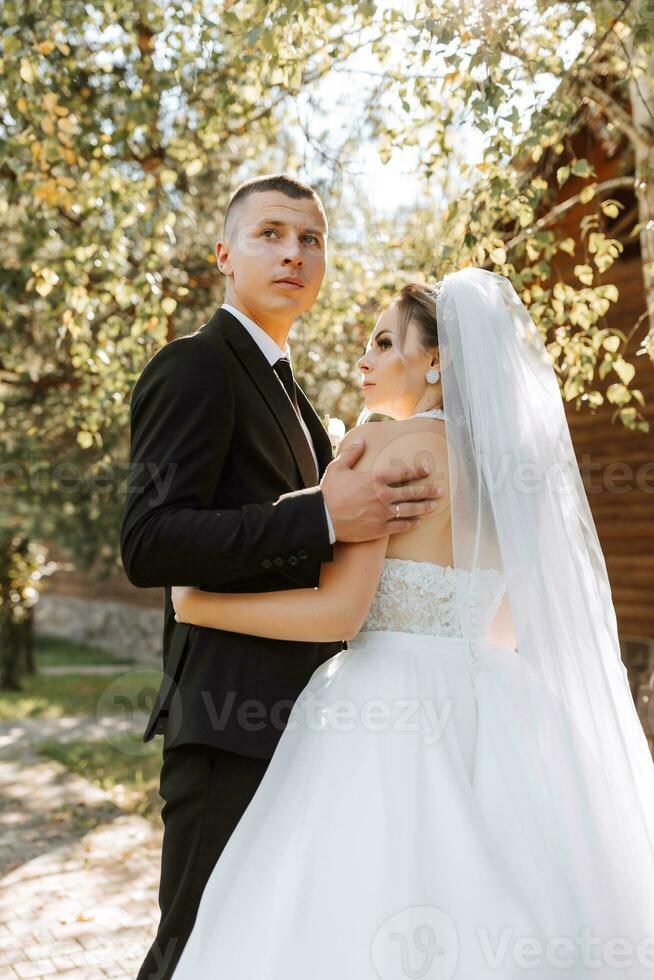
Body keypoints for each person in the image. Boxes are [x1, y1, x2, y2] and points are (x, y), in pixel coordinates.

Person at [169, 269, 654, 978]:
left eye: (385, 340)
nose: (363, 357)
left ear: (437, 360)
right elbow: (502, 623)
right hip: (494, 701)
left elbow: (341, 612)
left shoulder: (389, 450)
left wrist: (201, 602)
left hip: (381, 702)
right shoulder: (502, 471)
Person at [120, 173, 444, 980]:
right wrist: (323, 517)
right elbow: (150, 542)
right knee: (192, 953)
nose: (294, 252)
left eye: (311, 239)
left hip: (309, 734)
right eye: (270, 234)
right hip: (227, 723)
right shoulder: (195, 366)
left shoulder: (300, 402)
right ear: (225, 255)